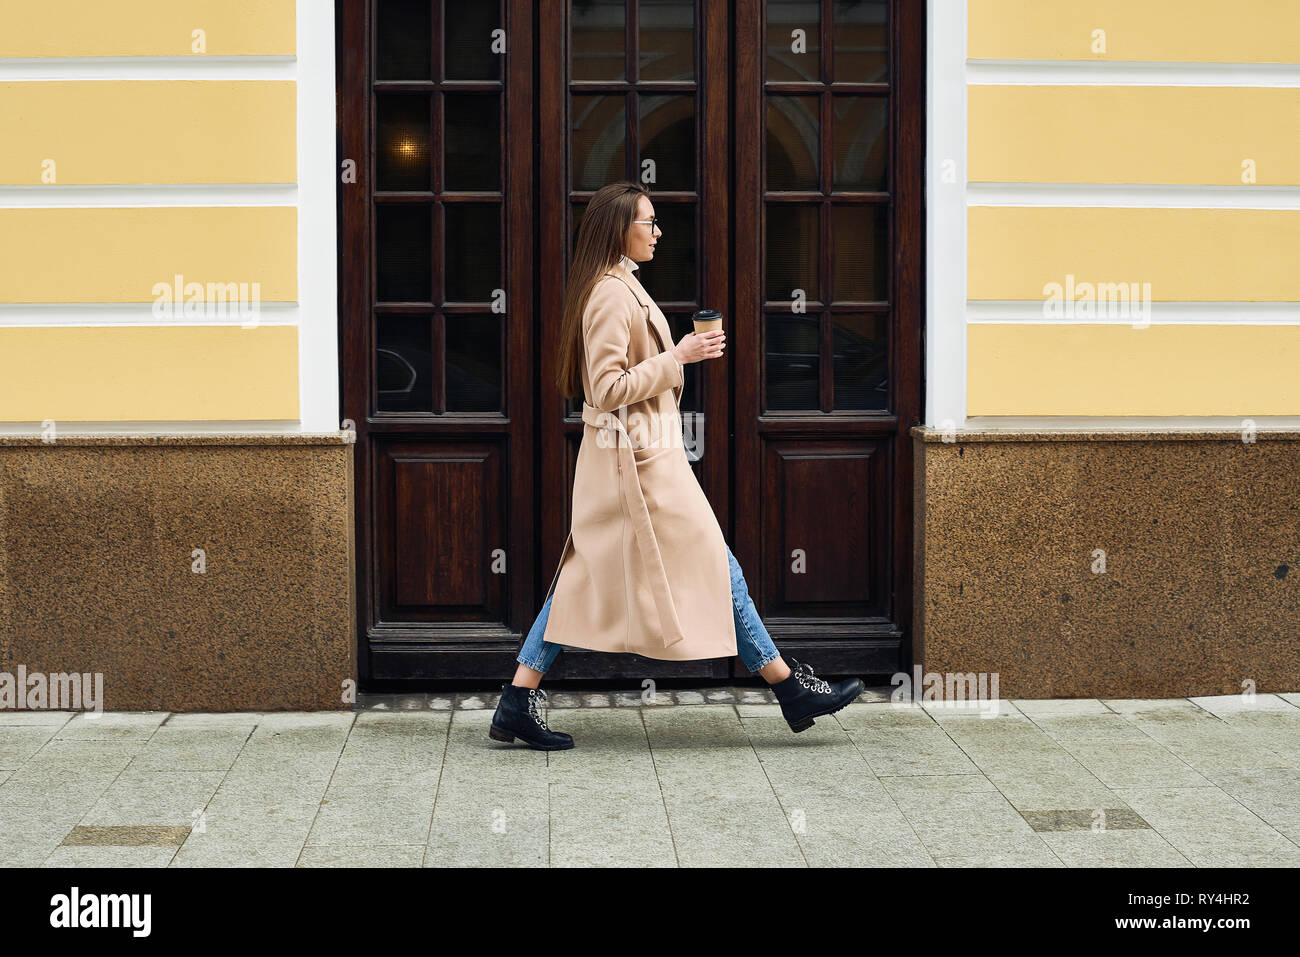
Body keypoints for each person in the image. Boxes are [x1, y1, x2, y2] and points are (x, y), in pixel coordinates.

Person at [490, 181, 863, 751]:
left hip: (643, 456)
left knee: (589, 574)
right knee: (713, 562)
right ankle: (789, 687)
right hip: (633, 462)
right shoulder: (612, 294)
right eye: (648, 222)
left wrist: (679, 357)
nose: (658, 232)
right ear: (620, 229)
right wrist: (679, 356)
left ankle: (518, 698)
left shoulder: (620, 287)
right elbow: (605, 387)